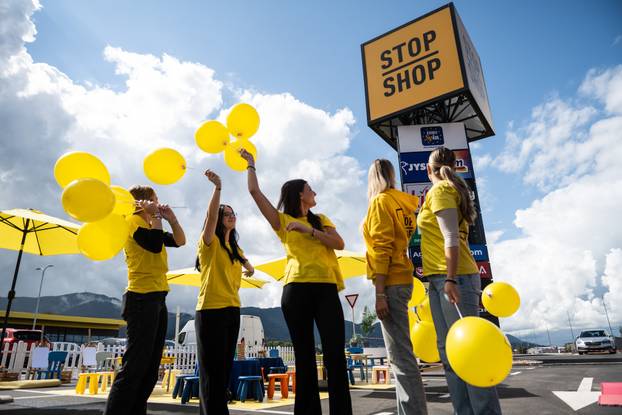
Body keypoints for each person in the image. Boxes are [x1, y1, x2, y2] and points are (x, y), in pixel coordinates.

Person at [240, 149, 352, 415]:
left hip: (326, 288)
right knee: (304, 357)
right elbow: (255, 193)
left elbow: (339, 243)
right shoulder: (282, 221)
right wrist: (251, 164)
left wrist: (309, 230)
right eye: (310, 189)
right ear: (301, 195)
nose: (315, 193)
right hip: (296, 290)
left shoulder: (320, 220)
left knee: (335, 354)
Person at [417, 147, 502, 415]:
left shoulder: (441, 190)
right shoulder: (445, 189)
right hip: (439, 279)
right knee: (450, 353)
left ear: (428, 169)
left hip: (454, 278)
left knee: (468, 352)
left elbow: (451, 237)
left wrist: (451, 279)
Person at [104, 185, 186, 415]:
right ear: (143, 203)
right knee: (135, 366)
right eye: (155, 199)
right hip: (141, 298)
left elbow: (180, 240)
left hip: (158, 297)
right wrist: (157, 215)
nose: (158, 202)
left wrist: (172, 219)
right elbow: (154, 245)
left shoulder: (152, 225)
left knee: (150, 368)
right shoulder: (132, 222)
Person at [363, 159, 428, 415]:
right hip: (403, 277)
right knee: (401, 356)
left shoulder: (380, 202)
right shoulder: (402, 203)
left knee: (401, 358)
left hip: (390, 282)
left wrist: (379, 293)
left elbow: (382, 248)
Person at [195, 170, 255, 415]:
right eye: (226, 214)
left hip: (232, 309)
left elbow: (247, 263)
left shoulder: (234, 247)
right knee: (211, 373)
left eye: (233, 213)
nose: (231, 216)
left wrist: (249, 267)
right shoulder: (209, 242)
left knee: (222, 372)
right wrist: (217, 188)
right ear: (219, 219)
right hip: (211, 310)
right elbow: (210, 217)